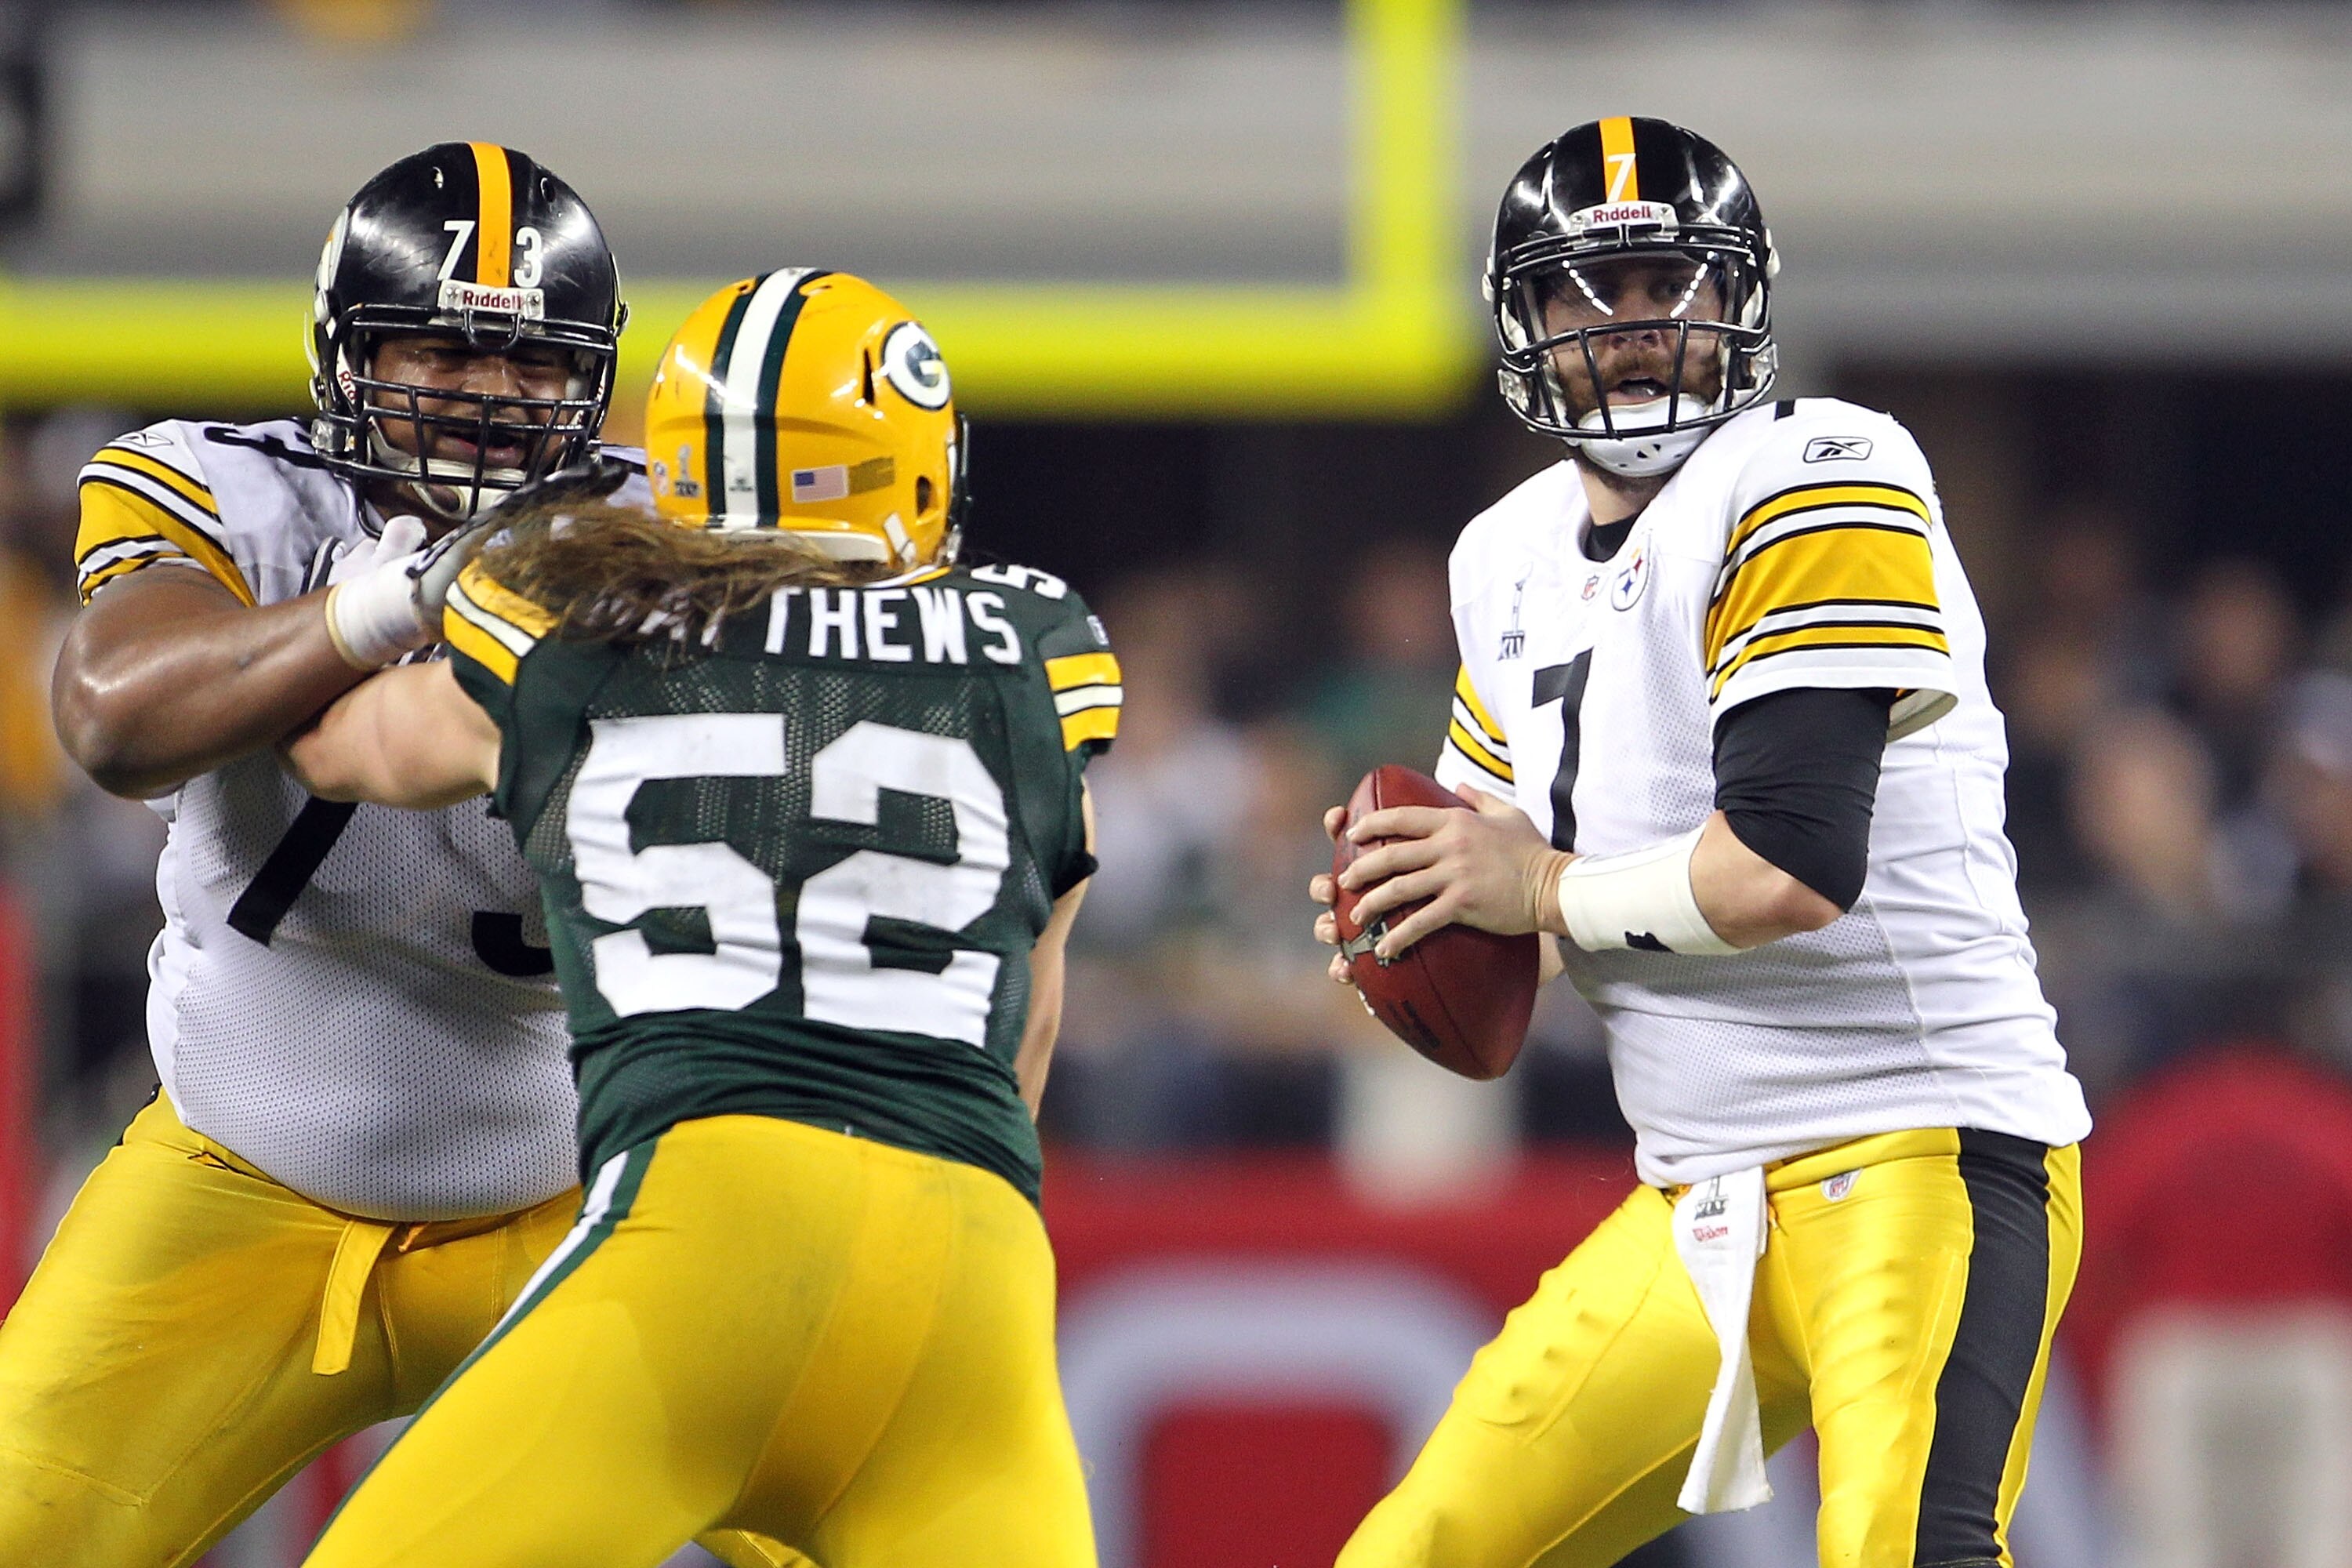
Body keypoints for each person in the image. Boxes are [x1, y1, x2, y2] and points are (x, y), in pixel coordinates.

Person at [1312, 117, 2092, 1568]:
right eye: (1580, 296)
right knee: (1411, 1554)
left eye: (1667, 282)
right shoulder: (1505, 555)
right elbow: (1490, 868)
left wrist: (1528, 887)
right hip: (1701, 1201)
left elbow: (1789, 869)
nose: (1629, 331)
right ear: (1523, 324)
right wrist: (1406, 908)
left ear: (1738, 301)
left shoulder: (1820, 468)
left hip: (1922, 1152)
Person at [20, 143, 789, 1568]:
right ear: (347, 350)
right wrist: (379, 610)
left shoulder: (681, 542)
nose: (491, 397)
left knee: (884, 1517)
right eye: (443, 347)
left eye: (532, 361)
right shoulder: (232, 494)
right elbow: (113, 718)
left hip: (592, 1200)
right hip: (240, 1185)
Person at [281, 269, 1111, 1566]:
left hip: (704, 1230)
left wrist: (377, 599)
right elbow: (1029, 1028)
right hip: (971, 1265)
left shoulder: (567, 617)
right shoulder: (1032, 652)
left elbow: (335, 749)